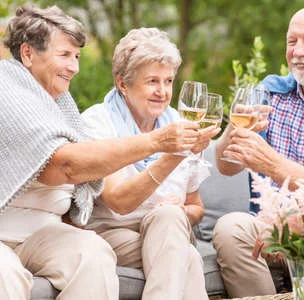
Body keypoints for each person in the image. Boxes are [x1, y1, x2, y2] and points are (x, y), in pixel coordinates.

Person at [0, 4, 208, 300]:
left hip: (43, 231)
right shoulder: (7, 92)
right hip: (5, 230)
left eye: (77, 57)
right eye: (64, 55)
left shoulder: (59, 106)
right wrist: (159, 143)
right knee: (5, 277)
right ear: (28, 54)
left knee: (95, 256)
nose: (75, 67)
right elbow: (62, 166)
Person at [212, 4, 304, 297]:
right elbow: (226, 167)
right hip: (265, 228)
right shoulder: (271, 93)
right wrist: (233, 132)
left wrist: (292, 221)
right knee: (230, 228)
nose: (298, 51)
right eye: (292, 41)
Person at [81, 27, 219, 300]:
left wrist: (180, 211)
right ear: (123, 83)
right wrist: (173, 154)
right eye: (152, 81)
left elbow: (197, 207)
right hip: (113, 232)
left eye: (168, 81)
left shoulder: (180, 122)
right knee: (187, 256)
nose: (162, 92)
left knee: (168, 219)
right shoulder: (97, 124)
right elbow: (119, 202)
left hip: (169, 229)